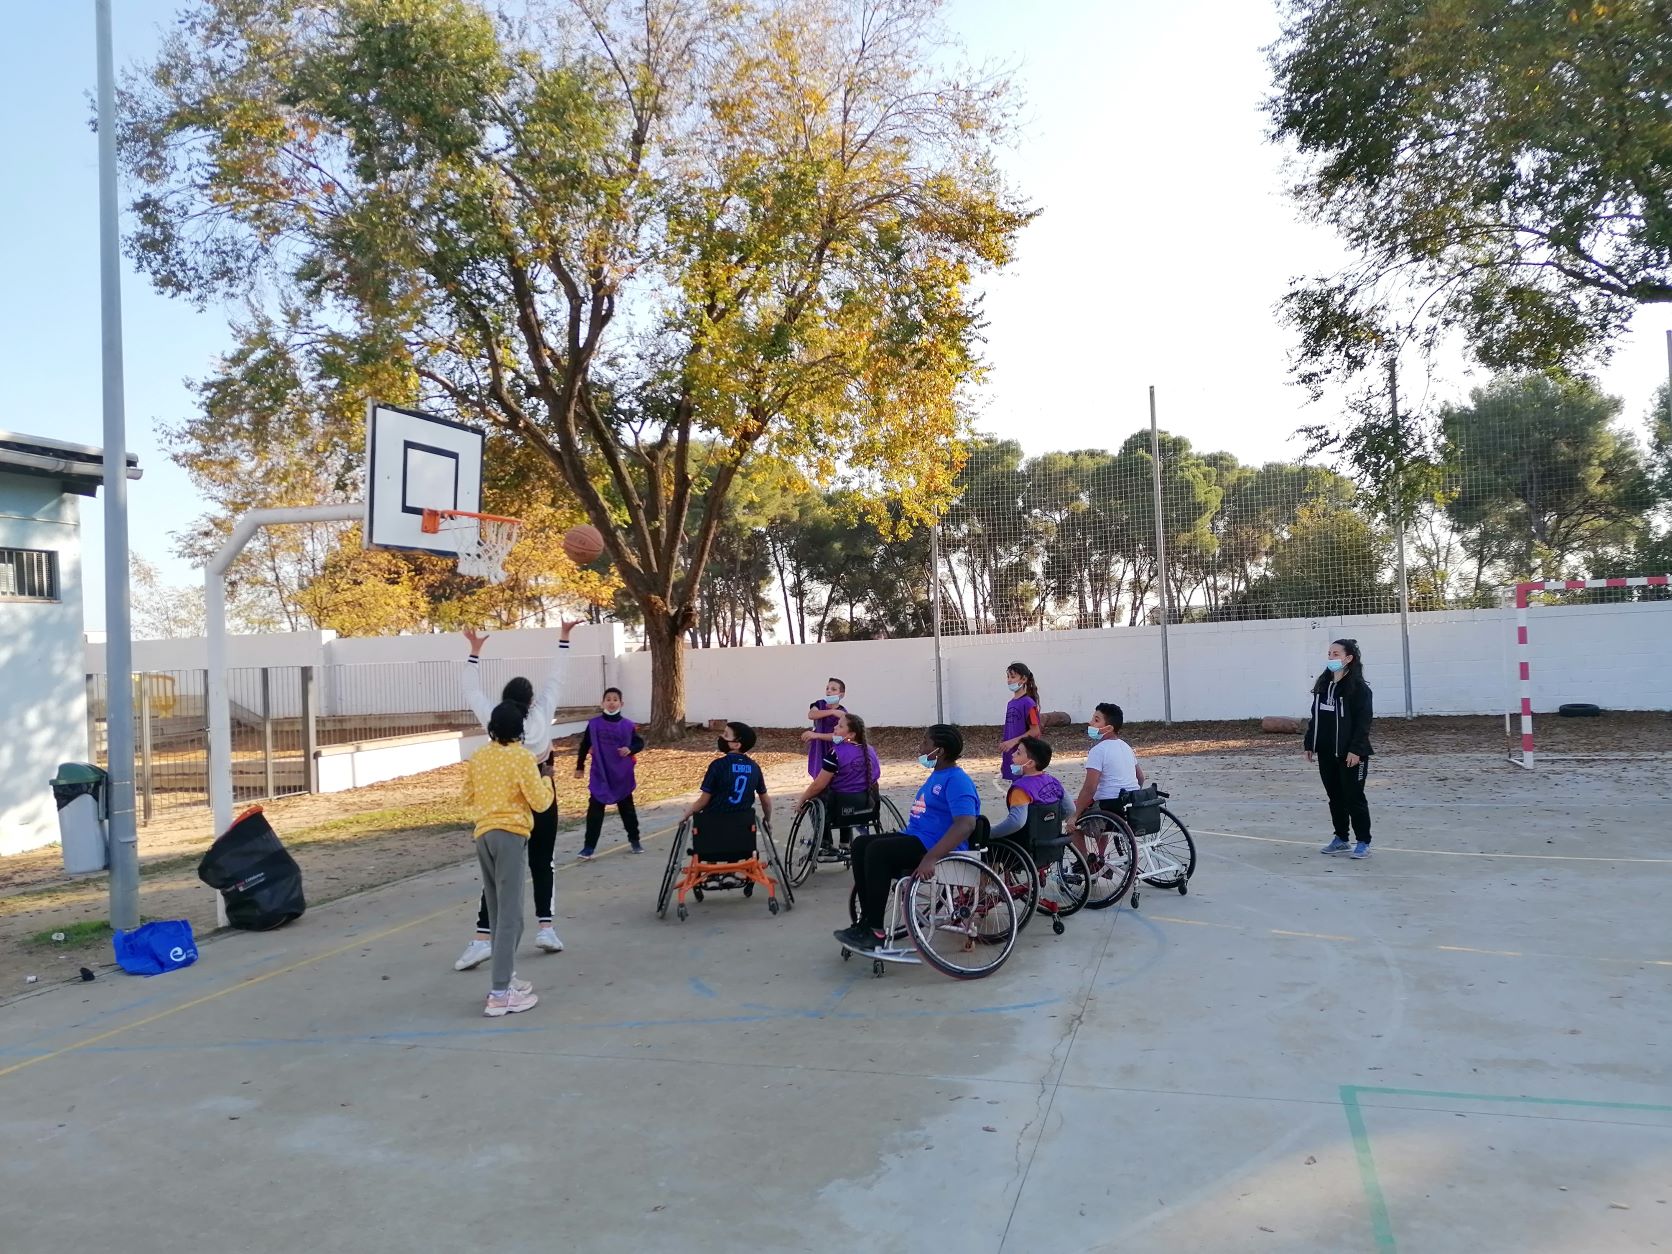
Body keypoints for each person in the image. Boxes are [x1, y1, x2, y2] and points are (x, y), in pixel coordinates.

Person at [454, 620, 578, 972]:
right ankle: (546, 928)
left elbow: (471, 691)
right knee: (543, 859)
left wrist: (474, 653)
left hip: (504, 799)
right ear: (531, 700)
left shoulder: (494, 720)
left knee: (497, 874)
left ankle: (482, 938)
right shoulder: (541, 715)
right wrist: (564, 638)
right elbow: (557, 678)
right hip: (540, 787)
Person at [833, 725, 980, 953]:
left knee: (878, 851)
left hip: (936, 847)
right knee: (861, 844)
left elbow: (966, 824)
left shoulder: (957, 780)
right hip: (917, 838)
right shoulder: (938, 775)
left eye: (925, 743)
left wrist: (931, 858)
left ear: (939, 751)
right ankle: (866, 922)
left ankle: (875, 931)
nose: (920, 748)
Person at [464, 700, 554, 1017]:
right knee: (511, 916)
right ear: (520, 729)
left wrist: (487, 810)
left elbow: (466, 797)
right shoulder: (521, 757)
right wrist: (546, 779)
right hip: (510, 835)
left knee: (497, 909)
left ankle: (506, 976)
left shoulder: (479, 756)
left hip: (484, 834)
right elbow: (540, 803)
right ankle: (500, 993)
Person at [1306, 637, 1375, 859]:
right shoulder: (1323, 685)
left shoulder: (1359, 689)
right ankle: (1341, 838)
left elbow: (1364, 722)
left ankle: (1363, 841)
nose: (1331, 657)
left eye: (1336, 654)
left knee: (1354, 797)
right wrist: (1310, 743)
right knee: (1335, 796)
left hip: (1351, 754)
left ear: (1348, 658)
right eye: (1329, 654)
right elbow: (1316, 717)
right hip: (1327, 752)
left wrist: (1356, 750)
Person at [574, 686, 644, 858]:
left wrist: (630, 749)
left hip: (621, 774)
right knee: (595, 811)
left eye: (615, 699)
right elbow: (584, 745)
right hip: (600, 773)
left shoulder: (628, 725)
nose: (611, 702)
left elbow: (639, 743)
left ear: (621, 703)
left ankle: (635, 840)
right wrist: (580, 766)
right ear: (602, 703)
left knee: (627, 810)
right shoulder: (594, 724)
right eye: (608, 699)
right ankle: (589, 847)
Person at [797, 710, 882, 849]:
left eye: (840, 726)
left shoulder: (835, 753)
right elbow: (875, 779)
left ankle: (825, 843)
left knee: (816, 799)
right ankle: (844, 842)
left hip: (840, 809)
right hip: (868, 806)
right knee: (846, 800)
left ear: (851, 735)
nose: (835, 727)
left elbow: (818, 785)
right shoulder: (870, 751)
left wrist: (802, 800)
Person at [682, 721, 773, 830]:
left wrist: (686, 815)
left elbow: (703, 801)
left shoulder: (718, 765)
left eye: (726, 735)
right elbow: (766, 802)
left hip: (714, 825)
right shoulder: (754, 767)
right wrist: (767, 819)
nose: (721, 736)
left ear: (736, 745)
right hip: (743, 827)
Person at [1070, 702, 1146, 822]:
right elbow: (1140, 778)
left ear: (1109, 728)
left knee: (1071, 812)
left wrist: (1075, 815)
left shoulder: (1098, 750)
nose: (1090, 723)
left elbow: (1090, 788)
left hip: (1108, 805)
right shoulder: (1126, 747)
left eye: (1096, 720)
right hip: (1131, 800)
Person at [989, 735, 1066, 839]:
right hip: (1051, 839)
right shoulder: (1054, 782)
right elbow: (1070, 809)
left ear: (1030, 763)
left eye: (1018, 753)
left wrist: (989, 834)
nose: (1013, 754)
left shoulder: (1021, 789)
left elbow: (1016, 823)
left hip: (1027, 841)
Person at [998, 662, 1042, 781]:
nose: (1009, 680)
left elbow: (1035, 731)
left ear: (1023, 679)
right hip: (1012, 755)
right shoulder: (1010, 703)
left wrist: (1012, 742)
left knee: (1025, 785)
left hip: (1024, 755)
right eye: (1008, 677)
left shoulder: (1029, 703)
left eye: (1013, 677)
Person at [805, 678, 847, 778]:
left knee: (831, 773)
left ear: (841, 695)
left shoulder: (843, 712)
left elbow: (838, 736)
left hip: (833, 746)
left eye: (833, 689)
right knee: (817, 771)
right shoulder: (819, 704)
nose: (829, 691)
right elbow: (811, 715)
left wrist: (816, 735)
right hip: (818, 746)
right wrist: (832, 712)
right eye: (827, 688)